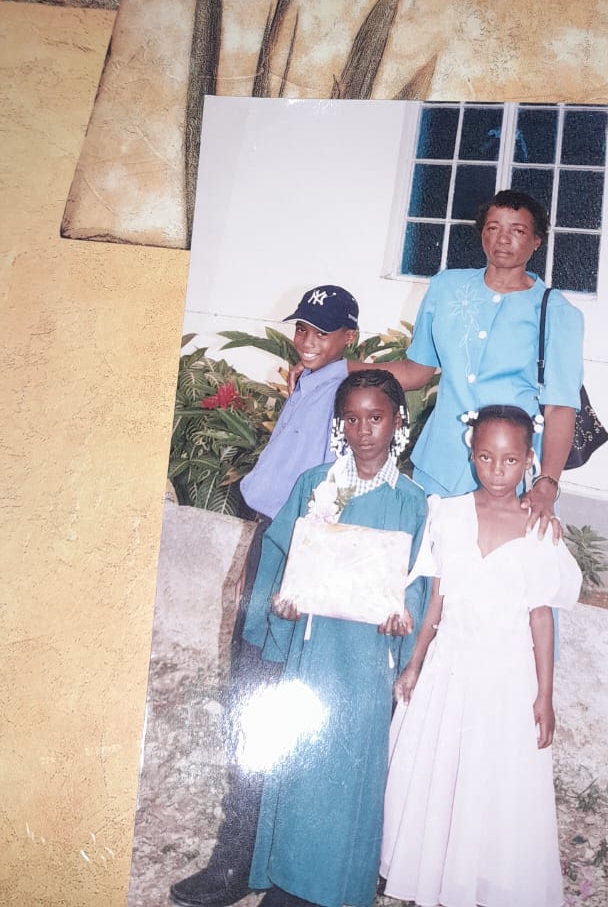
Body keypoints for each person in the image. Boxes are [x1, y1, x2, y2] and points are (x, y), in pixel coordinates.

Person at [170, 285, 360, 907]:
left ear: (348, 340)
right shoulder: (307, 385)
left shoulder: (341, 394)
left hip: (295, 550)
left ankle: (246, 860)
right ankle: (245, 853)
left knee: (261, 694)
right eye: (303, 328)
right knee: (248, 692)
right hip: (269, 539)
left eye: (322, 332)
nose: (308, 340)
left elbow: (330, 489)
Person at [380, 405, 582, 907]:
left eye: (511, 460)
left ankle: (480, 884)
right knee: (440, 772)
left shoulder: (540, 530)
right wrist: (415, 662)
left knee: (492, 781)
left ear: (529, 461)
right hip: (451, 667)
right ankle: (435, 879)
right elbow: (437, 601)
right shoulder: (446, 515)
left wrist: (545, 696)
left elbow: (541, 619)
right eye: (486, 457)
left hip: (506, 678)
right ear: (471, 454)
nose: (497, 470)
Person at [244, 369, 428, 907]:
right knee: (300, 765)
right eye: (351, 418)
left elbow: (420, 582)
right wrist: (281, 602)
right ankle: (285, 884)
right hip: (313, 648)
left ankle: (337, 890)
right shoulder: (316, 486)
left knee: (350, 774)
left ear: (397, 422)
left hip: (367, 661)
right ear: (339, 423)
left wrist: (404, 619)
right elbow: (281, 561)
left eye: (376, 417)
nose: (363, 430)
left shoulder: (412, 502)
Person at [352, 189, 584, 525]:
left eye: (517, 231)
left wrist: (547, 483)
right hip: (439, 465)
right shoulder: (446, 288)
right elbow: (417, 371)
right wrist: (339, 369)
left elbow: (560, 406)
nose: (502, 239)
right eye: (493, 228)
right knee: (427, 563)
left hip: (508, 474)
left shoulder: (558, 313)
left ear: (536, 241)